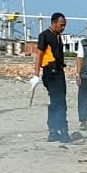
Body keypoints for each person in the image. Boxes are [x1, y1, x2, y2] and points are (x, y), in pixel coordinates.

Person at [35, 12, 70, 142]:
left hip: (59, 72)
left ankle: (55, 130)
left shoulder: (58, 36)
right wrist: (35, 74)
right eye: (61, 25)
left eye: (64, 25)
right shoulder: (44, 36)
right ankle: (60, 130)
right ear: (54, 23)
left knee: (59, 102)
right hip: (50, 72)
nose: (63, 28)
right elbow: (39, 55)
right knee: (58, 102)